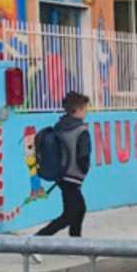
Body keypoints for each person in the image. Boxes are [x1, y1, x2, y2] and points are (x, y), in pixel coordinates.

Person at [35, 91, 92, 239]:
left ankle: (75, 241)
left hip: (61, 175)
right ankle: (36, 240)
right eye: (85, 108)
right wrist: (84, 170)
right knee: (69, 215)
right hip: (73, 177)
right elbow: (84, 155)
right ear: (78, 110)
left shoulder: (59, 126)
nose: (86, 112)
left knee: (79, 209)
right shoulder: (82, 130)